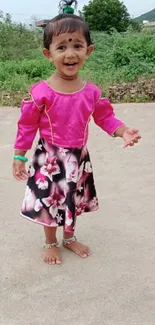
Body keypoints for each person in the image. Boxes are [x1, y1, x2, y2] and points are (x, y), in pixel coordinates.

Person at [12, 14, 141, 265]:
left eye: (77, 46)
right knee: (49, 203)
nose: (70, 54)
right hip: (49, 158)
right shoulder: (41, 92)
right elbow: (26, 125)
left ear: (88, 50)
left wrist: (122, 130)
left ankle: (69, 238)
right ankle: (50, 242)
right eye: (61, 47)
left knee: (72, 197)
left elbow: (106, 118)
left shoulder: (92, 91)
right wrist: (19, 155)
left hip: (77, 158)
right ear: (48, 54)